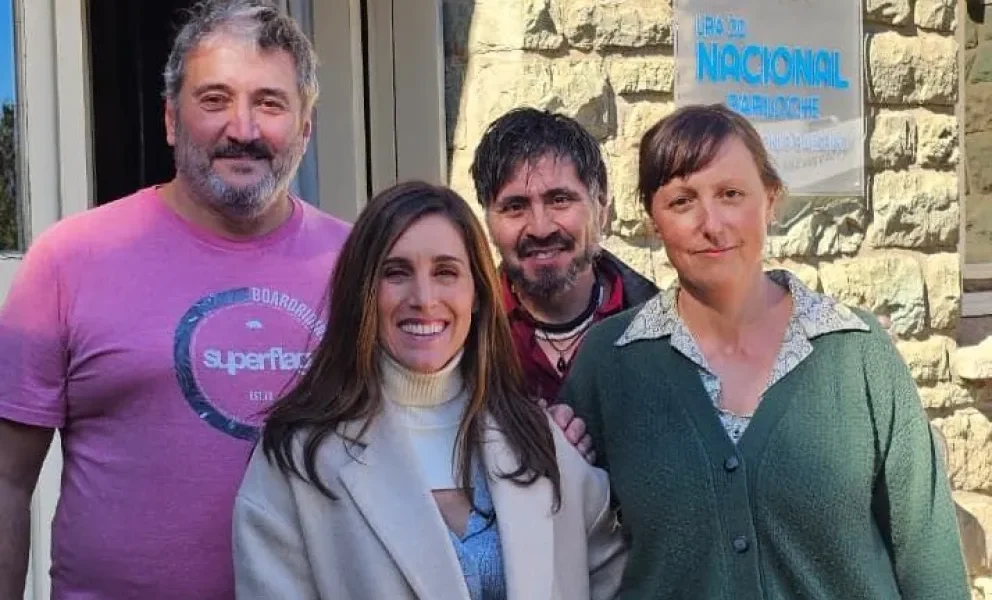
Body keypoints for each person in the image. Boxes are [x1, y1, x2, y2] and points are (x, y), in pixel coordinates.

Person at [0, 1, 350, 598]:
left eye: (270, 103)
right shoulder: (70, 259)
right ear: (170, 119)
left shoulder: (360, 265)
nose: (243, 129)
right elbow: (7, 480)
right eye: (214, 100)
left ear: (306, 128)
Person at [560, 103, 970, 599]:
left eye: (731, 194)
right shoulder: (613, 362)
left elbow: (929, 557)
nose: (711, 223)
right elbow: (563, 535)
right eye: (682, 201)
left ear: (770, 200)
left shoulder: (857, 353)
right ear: (654, 220)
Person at [233, 181, 626, 600]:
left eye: (445, 272)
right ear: (361, 293)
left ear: (477, 293)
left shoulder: (540, 439)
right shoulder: (295, 460)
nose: (423, 298)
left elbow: (615, 578)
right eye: (396, 273)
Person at [470, 108, 658, 406]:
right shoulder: (463, 340)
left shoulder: (665, 333)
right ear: (488, 220)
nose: (540, 228)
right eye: (515, 207)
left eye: (559, 200)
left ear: (601, 208)